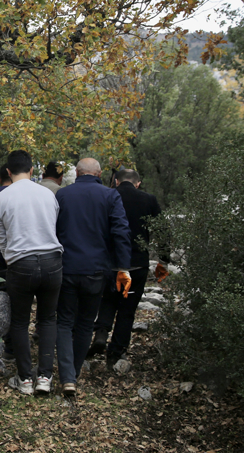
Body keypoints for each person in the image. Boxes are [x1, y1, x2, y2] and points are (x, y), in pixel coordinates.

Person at [54, 158, 131, 397]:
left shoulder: (62, 195)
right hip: (97, 269)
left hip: (66, 266)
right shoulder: (110, 196)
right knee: (86, 322)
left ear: (77, 173)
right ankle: (73, 373)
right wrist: (123, 267)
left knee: (65, 322)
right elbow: (120, 231)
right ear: (99, 174)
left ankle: (67, 376)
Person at [0, 150, 63, 395]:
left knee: (20, 322)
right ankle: (44, 376)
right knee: (48, 319)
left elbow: (1, 239)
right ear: (32, 170)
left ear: (8, 172)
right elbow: (53, 225)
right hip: (53, 261)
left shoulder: (0, 198)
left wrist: (11, 257)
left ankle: (24, 379)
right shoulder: (47, 194)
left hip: (20, 264)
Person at [88, 169, 165, 365]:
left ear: (116, 181)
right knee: (127, 309)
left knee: (107, 299)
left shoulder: (107, 196)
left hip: (109, 261)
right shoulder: (149, 199)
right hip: (137, 263)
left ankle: (101, 332)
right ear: (137, 183)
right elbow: (163, 229)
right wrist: (164, 259)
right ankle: (116, 351)